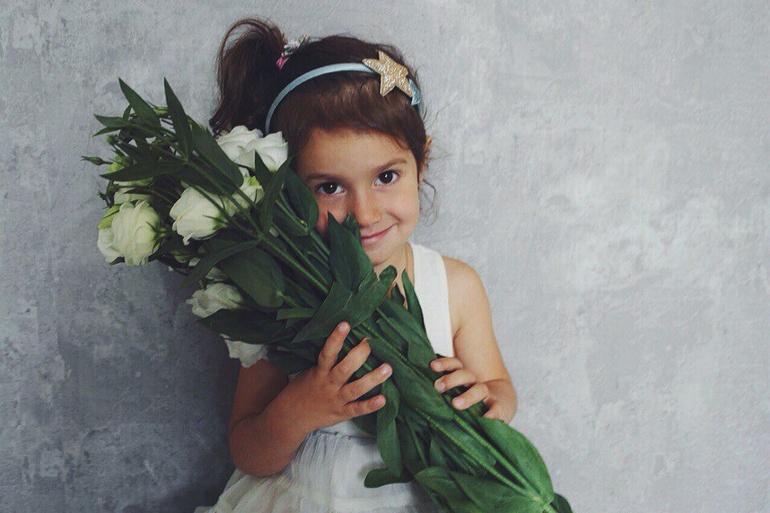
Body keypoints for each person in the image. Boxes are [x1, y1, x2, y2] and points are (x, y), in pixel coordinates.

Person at [195, 17, 518, 513]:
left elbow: (500, 390)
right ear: (288, 190)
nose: (364, 214)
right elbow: (249, 452)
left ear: (421, 163)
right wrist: (302, 406)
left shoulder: (455, 286)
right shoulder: (281, 295)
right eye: (329, 187)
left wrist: (488, 401)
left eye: (386, 176)